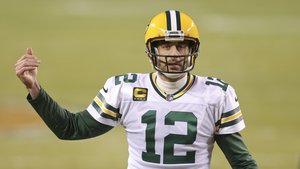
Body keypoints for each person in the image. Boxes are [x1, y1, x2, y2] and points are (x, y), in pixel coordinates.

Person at [15, 10, 258, 169]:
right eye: (165, 46)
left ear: (192, 49)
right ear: (152, 49)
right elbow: (71, 128)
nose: (173, 54)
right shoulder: (125, 90)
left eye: (181, 46)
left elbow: (241, 162)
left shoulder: (216, 95)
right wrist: (34, 88)